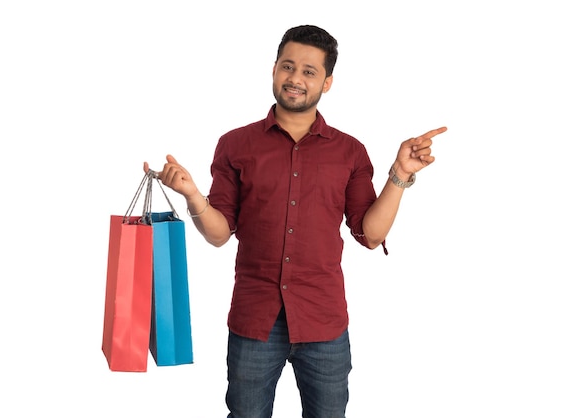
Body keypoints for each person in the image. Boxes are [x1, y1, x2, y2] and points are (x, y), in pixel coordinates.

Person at [146, 24, 447, 418]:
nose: (296, 79)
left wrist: (399, 174)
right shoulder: (235, 145)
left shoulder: (350, 152)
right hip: (255, 321)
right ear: (274, 70)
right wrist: (192, 194)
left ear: (327, 82)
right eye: (288, 67)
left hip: (324, 322)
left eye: (309, 71)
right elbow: (220, 234)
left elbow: (371, 235)